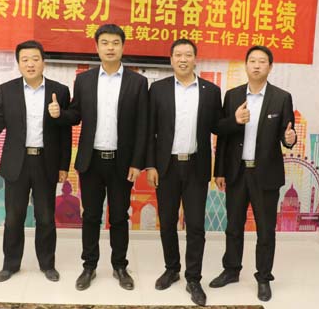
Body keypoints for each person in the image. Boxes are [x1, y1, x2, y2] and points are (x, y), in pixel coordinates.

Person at [48, 24, 148, 291]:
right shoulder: (85, 80)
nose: (110, 47)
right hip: (91, 161)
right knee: (91, 215)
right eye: (105, 43)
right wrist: (60, 114)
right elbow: (76, 114)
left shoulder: (137, 82)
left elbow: (143, 126)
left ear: (123, 47)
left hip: (122, 162)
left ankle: (120, 266)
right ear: (97, 47)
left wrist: (137, 163)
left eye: (115, 43)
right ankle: (89, 266)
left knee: (119, 216)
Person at [0, 40, 71, 283]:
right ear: (18, 64)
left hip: (45, 162)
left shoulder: (59, 91)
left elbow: (65, 132)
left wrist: (64, 165)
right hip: (16, 164)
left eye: (35, 59)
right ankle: (10, 265)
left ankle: (47, 264)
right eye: (25, 60)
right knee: (13, 218)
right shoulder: (7, 90)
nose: (30, 64)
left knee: (46, 217)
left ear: (43, 62)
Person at [210, 45, 296, 302]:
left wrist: (290, 139)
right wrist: (219, 171)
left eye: (262, 61)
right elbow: (223, 135)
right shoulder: (233, 96)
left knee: (266, 230)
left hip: (266, 175)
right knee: (233, 226)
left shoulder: (282, 98)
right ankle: (231, 270)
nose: (257, 65)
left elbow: (287, 134)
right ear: (246, 65)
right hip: (237, 172)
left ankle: (263, 277)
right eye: (252, 61)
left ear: (270, 66)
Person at [146, 39, 221, 306]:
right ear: (171, 59)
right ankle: (172, 269)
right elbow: (149, 131)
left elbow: (218, 127)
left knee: (196, 226)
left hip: (196, 167)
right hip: (166, 167)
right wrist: (151, 165)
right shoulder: (158, 89)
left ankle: (193, 278)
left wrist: (235, 121)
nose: (183, 59)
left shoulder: (211, 91)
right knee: (167, 222)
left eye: (188, 55)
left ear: (195, 59)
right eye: (178, 55)